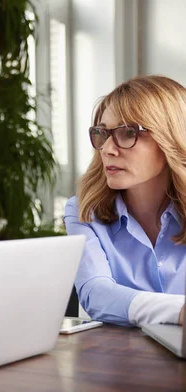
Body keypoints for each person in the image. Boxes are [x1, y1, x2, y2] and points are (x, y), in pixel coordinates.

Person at [64, 75, 186, 327]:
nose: (108, 149)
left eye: (128, 132)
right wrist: (180, 311)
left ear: (171, 137)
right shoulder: (84, 210)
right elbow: (96, 294)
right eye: (102, 133)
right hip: (124, 363)